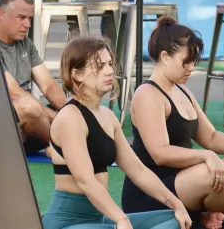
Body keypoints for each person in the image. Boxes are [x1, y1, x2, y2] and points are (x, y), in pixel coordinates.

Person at [121, 17, 224, 229]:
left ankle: (213, 213)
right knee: (207, 172)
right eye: (186, 61)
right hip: (153, 193)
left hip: (187, 182)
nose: (191, 68)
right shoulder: (147, 94)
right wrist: (206, 156)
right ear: (165, 57)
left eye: (194, 61)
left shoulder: (182, 90)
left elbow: (210, 137)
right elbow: (160, 153)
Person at [42, 36, 193, 229]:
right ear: (77, 74)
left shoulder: (107, 116)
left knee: (173, 219)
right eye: (99, 66)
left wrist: (176, 203)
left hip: (98, 220)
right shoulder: (70, 118)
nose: (109, 71)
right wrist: (121, 219)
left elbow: (137, 170)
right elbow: (86, 180)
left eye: (110, 64)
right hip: (68, 223)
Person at [0, 0, 68, 155]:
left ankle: (67, 140)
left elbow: (48, 84)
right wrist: (58, 119)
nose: (28, 25)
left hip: (30, 124)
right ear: (1, 14)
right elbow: (14, 94)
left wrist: (71, 111)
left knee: (74, 103)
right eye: (22, 18)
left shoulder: (25, 42)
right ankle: (65, 146)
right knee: (29, 106)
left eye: (30, 18)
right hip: (7, 122)